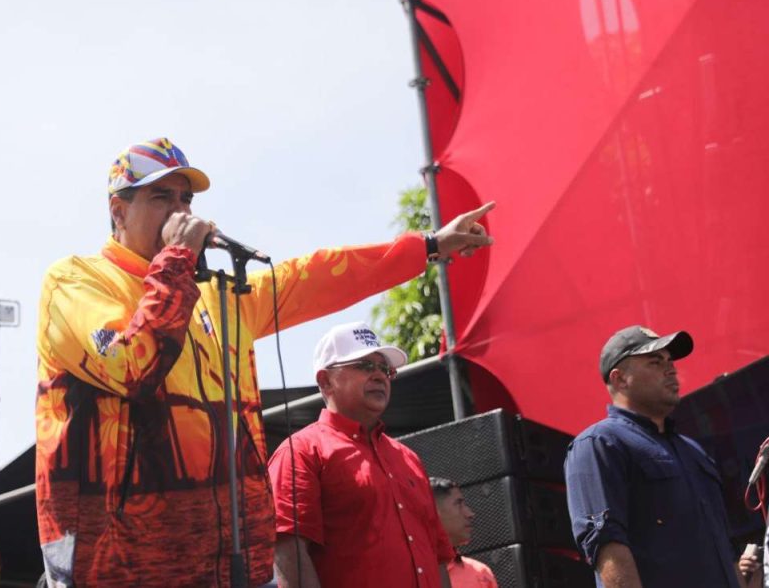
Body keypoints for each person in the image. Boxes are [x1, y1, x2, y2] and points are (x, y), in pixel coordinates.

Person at [35, 137, 494, 587]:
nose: (181, 212)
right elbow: (131, 366)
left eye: (185, 199)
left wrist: (428, 246)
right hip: (117, 563)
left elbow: (321, 275)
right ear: (118, 211)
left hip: (224, 563)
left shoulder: (220, 296)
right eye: (161, 197)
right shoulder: (75, 281)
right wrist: (177, 260)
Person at [267, 321, 455, 588]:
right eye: (365, 366)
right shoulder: (300, 452)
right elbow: (289, 551)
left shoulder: (408, 458)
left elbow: (437, 556)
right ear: (325, 381)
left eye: (385, 369)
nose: (379, 376)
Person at [564, 325, 740, 588]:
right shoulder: (600, 444)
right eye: (655, 362)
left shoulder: (694, 451)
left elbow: (726, 547)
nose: (670, 369)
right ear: (620, 379)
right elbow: (608, 546)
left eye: (670, 362)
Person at [430, 477, 498, 588]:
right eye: (458, 504)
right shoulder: (407, 573)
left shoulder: (480, 573)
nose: (470, 514)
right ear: (432, 511)